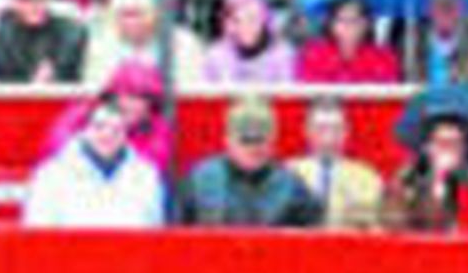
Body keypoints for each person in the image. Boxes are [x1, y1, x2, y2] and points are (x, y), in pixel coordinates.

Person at [22, 90, 166, 231]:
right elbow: (37, 234)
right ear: (84, 130)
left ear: (126, 135)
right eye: (99, 127)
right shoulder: (50, 175)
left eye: (117, 129)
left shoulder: (147, 177)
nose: (107, 134)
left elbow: (153, 231)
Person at [176, 95, 325, 228]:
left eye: (260, 140)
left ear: (272, 141)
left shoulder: (292, 189)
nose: (253, 148)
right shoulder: (200, 182)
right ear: (228, 141)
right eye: (246, 140)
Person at [290, 97, 386, 230]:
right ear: (307, 131)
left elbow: (374, 232)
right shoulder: (288, 174)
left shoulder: (367, 178)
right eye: (321, 129)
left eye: (336, 129)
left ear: (347, 131)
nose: (328, 138)